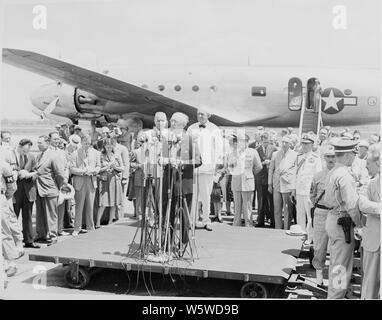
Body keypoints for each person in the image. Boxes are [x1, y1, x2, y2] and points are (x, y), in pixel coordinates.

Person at [324, 138, 362, 299]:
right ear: (347, 155)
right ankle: (336, 296)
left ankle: (338, 292)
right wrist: (359, 224)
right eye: (353, 154)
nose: (354, 157)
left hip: (334, 219)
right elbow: (352, 205)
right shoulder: (344, 175)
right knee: (340, 265)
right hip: (343, 223)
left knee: (337, 261)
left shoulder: (333, 171)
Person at [161, 112, 202, 243]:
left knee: (184, 216)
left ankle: (183, 243)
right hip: (169, 183)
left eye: (175, 121)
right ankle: (167, 241)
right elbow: (160, 157)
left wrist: (183, 163)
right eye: (171, 121)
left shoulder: (189, 139)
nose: (171, 123)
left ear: (182, 125)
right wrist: (162, 160)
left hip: (184, 184)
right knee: (167, 214)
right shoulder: (166, 138)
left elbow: (198, 160)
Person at [187, 108, 223, 231]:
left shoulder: (215, 129)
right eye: (198, 113)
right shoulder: (191, 128)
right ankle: (192, 220)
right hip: (193, 168)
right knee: (193, 195)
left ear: (208, 115)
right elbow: (186, 146)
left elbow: (218, 149)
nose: (200, 116)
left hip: (207, 168)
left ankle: (206, 220)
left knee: (206, 195)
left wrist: (216, 166)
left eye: (202, 114)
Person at [310, 145, 336, 285]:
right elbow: (312, 194)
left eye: (333, 156)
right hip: (321, 212)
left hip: (335, 213)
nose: (331, 159)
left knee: (336, 247)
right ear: (324, 158)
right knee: (319, 246)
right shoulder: (318, 175)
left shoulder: (342, 174)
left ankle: (334, 281)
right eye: (328, 156)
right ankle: (319, 278)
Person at [33, 135, 67, 244]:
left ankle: (53, 236)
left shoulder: (53, 156)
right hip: (39, 189)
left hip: (50, 189)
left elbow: (60, 174)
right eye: (38, 143)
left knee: (51, 215)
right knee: (40, 214)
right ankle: (41, 234)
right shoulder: (38, 156)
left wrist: (57, 186)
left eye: (40, 143)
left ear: (47, 143)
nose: (38, 145)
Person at [292, 133, 322, 245]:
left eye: (306, 144)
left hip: (309, 192)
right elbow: (296, 174)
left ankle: (310, 237)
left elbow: (318, 176)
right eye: (303, 143)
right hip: (299, 190)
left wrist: (314, 193)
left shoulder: (315, 158)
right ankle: (301, 235)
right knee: (299, 214)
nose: (304, 146)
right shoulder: (299, 157)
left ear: (312, 145)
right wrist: (293, 189)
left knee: (310, 216)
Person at [358, 143, 380, 299]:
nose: (366, 168)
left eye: (368, 164)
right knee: (370, 287)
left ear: (378, 163)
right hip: (374, 242)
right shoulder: (371, 183)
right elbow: (362, 203)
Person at [69, 134, 101, 235]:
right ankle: (77, 228)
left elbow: (99, 166)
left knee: (90, 206)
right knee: (79, 206)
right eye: (85, 143)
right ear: (81, 143)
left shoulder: (96, 153)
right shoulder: (75, 153)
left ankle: (90, 227)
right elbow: (72, 168)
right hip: (80, 181)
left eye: (89, 143)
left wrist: (95, 171)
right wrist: (83, 172)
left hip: (91, 181)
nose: (87, 145)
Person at [228, 134, 262, 227]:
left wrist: (250, 174)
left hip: (247, 181)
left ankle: (248, 225)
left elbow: (258, 166)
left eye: (242, 141)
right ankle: (236, 224)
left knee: (247, 207)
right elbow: (229, 167)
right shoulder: (233, 153)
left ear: (247, 142)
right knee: (237, 206)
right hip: (237, 181)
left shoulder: (253, 152)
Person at [12, 139, 40, 249]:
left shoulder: (31, 156)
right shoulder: (12, 155)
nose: (25, 153)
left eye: (27, 151)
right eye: (24, 151)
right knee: (13, 217)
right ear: (19, 146)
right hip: (16, 191)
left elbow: (37, 172)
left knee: (27, 216)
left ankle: (29, 240)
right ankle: (12, 242)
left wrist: (29, 175)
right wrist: (19, 173)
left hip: (28, 190)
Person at [268, 135, 297, 229]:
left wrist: (294, 187)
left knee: (288, 208)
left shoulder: (295, 155)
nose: (284, 144)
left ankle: (286, 228)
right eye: (283, 142)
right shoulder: (275, 154)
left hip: (288, 184)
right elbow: (271, 170)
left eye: (286, 143)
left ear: (290, 144)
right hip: (276, 184)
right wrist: (270, 184)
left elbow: (296, 171)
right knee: (277, 208)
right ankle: (278, 227)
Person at [96, 138, 124, 227]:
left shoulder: (116, 155)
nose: (108, 149)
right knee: (103, 203)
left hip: (114, 181)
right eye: (107, 147)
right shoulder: (100, 155)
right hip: (104, 181)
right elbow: (98, 169)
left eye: (110, 147)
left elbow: (122, 168)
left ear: (112, 146)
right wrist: (105, 167)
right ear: (104, 146)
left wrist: (115, 166)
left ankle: (110, 222)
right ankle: (97, 222)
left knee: (113, 203)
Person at [1, 157, 20, 277]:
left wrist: (4, 198)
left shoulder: (3, 165)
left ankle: (11, 263)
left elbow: (12, 186)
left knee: (4, 231)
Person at [254, 131, 277, 227]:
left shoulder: (274, 149)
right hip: (261, 178)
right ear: (261, 141)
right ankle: (260, 221)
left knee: (271, 201)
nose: (266, 144)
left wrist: (270, 162)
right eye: (264, 142)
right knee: (261, 200)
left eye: (268, 142)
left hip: (270, 178)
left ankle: (273, 221)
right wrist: (263, 163)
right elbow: (255, 164)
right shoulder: (257, 150)